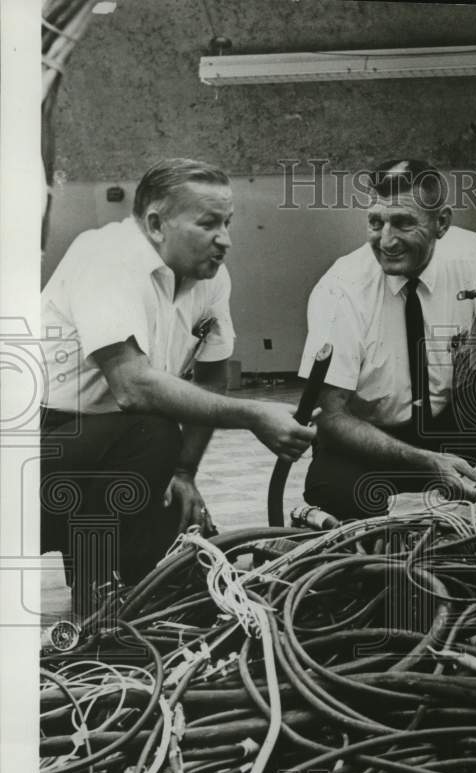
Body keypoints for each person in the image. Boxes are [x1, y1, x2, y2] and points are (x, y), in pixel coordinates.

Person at [40, 157, 317, 617]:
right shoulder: (106, 256)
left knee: (178, 513)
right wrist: (254, 415)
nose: (225, 239)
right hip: (37, 446)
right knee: (152, 431)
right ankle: (98, 583)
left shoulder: (211, 277)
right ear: (155, 224)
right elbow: (133, 387)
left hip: (107, 446)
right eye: (208, 224)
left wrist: (185, 473)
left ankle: (105, 583)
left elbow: (213, 375)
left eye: (227, 223)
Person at [298, 158, 476, 521]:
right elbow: (329, 417)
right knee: (338, 498)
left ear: (441, 223)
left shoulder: (466, 251)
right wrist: (427, 461)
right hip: (368, 441)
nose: (386, 241)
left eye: (403, 223)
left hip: (444, 425)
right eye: (375, 223)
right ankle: (374, 535)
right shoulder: (340, 288)